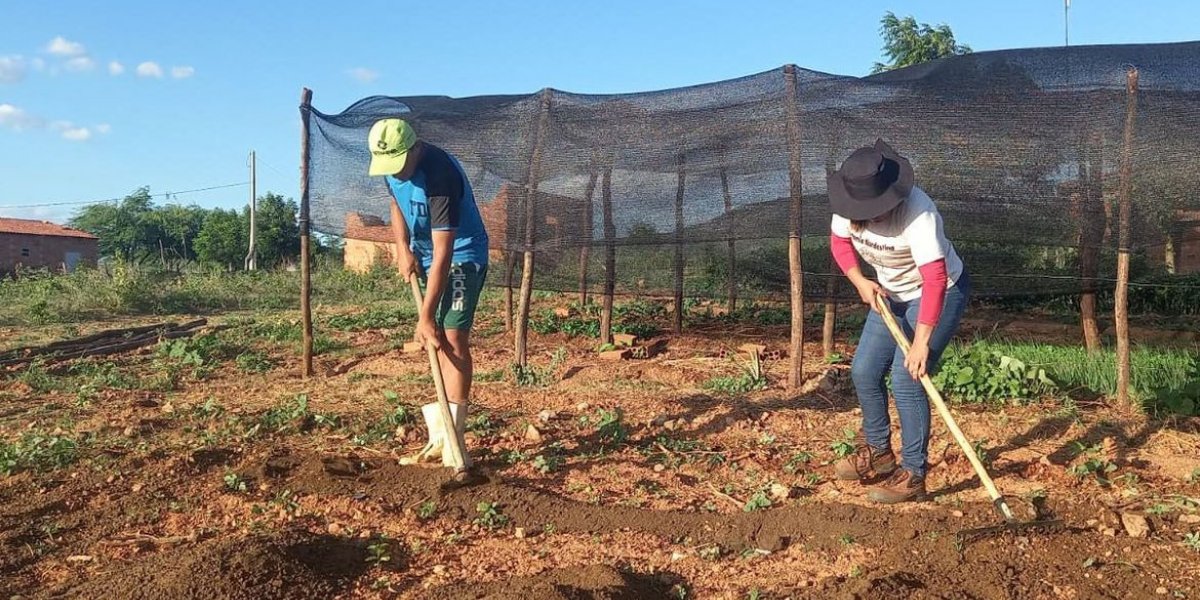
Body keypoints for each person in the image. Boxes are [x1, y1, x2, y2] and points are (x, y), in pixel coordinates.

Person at [826, 139, 971, 504]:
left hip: (937, 292)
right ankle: (879, 453)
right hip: (890, 294)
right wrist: (860, 281)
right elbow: (839, 244)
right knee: (863, 371)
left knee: (906, 379)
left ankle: (914, 474)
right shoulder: (847, 206)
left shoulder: (919, 212)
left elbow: (936, 279)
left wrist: (921, 342)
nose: (873, 214)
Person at [367, 118, 489, 467]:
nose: (396, 173)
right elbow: (395, 204)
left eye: (400, 164)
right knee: (437, 340)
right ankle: (441, 436)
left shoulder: (440, 177)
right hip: (424, 253)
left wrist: (425, 317)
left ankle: (454, 440)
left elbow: (444, 254)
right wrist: (402, 247)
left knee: (452, 338)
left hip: (462, 254)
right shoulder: (392, 169)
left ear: (416, 148)